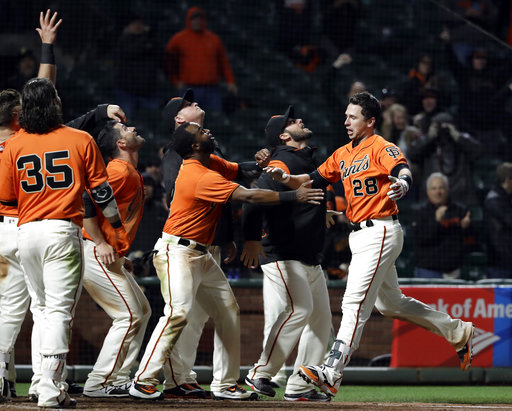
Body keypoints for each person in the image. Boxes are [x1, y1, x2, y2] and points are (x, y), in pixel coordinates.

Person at [264, 91, 474, 398]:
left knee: (353, 304)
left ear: (370, 121)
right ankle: (457, 331)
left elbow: (402, 169)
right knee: (391, 304)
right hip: (359, 235)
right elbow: (311, 180)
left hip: (381, 231)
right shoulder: (342, 153)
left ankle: (330, 373)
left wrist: (403, 183)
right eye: (347, 115)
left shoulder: (380, 146)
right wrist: (285, 177)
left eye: (353, 116)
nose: (346, 120)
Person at [128, 121, 324, 401]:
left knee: (228, 311)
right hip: (177, 253)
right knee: (178, 313)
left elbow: (241, 169)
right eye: (200, 132)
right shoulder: (198, 174)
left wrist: (263, 161)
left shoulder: (211, 162)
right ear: (195, 146)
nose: (206, 131)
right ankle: (143, 379)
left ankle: (226, 383)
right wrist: (294, 194)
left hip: (201, 254)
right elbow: (249, 195)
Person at [0, 77, 129, 408]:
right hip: (61, 232)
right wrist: (116, 224)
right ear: (53, 103)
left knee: (41, 308)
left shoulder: (15, 143)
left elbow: (6, 195)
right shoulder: (80, 138)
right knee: (57, 311)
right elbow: (101, 191)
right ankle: (49, 385)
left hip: (25, 232)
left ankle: (44, 381)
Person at [158, 89, 266, 400]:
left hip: (207, 245)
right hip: (185, 243)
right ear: (179, 120)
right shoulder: (175, 155)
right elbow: (174, 197)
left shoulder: (206, 150)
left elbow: (235, 176)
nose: (195, 104)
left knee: (209, 314)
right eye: (188, 104)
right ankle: (176, 378)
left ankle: (201, 379)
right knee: (185, 316)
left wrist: (227, 236)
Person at [241, 106, 332, 402]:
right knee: (300, 310)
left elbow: (299, 199)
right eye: (293, 121)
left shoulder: (303, 158)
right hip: (282, 254)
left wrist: (322, 213)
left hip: (307, 255)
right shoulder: (280, 160)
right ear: (283, 135)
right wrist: (251, 239)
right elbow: (253, 201)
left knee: (320, 324)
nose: (300, 120)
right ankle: (260, 372)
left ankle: (299, 384)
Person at [81, 120, 151, 398]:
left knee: (141, 312)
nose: (132, 128)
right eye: (125, 130)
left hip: (108, 253)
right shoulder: (118, 170)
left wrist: (119, 253)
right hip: (93, 248)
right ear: (120, 144)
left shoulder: (129, 171)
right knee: (129, 314)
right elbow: (85, 197)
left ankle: (118, 378)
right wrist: (100, 242)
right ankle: (99, 381)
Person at [164, 7, 237, 112]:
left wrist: (230, 81)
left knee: (214, 119)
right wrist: (175, 81)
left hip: (212, 89)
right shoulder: (178, 39)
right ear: (188, 20)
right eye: (194, 18)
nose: (197, 21)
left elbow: (223, 62)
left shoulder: (213, 39)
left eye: (200, 18)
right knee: (189, 122)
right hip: (189, 89)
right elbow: (169, 62)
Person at [407, 112, 481, 208]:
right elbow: (411, 154)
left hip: (460, 196)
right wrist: (429, 137)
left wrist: (458, 137)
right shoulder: (429, 145)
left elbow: (479, 152)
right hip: (433, 198)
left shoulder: (461, 142)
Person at [412, 172, 471, 279]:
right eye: (434, 189)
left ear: (448, 190)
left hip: (453, 270)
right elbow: (420, 239)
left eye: (441, 188)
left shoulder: (460, 210)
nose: (437, 192)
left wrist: (466, 228)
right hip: (428, 270)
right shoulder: (420, 212)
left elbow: (470, 241)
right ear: (428, 192)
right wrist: (436, 222)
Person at [114, 13, 161, 121]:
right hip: (127, 91)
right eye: (134, 23)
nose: (137, 26)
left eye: (140, 23)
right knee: (126, 123)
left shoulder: (152, 40)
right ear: (128, 26)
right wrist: (146, 39)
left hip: (148, 90)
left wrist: (149, 37)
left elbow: (160, 55)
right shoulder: (123, 40)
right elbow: (131, 52)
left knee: (151, 122)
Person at [483, 162, 512, 279]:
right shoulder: (494, 200)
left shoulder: (506, 198)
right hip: (500, 261)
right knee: (501, 297)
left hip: (506, 260)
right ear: (508, 180)